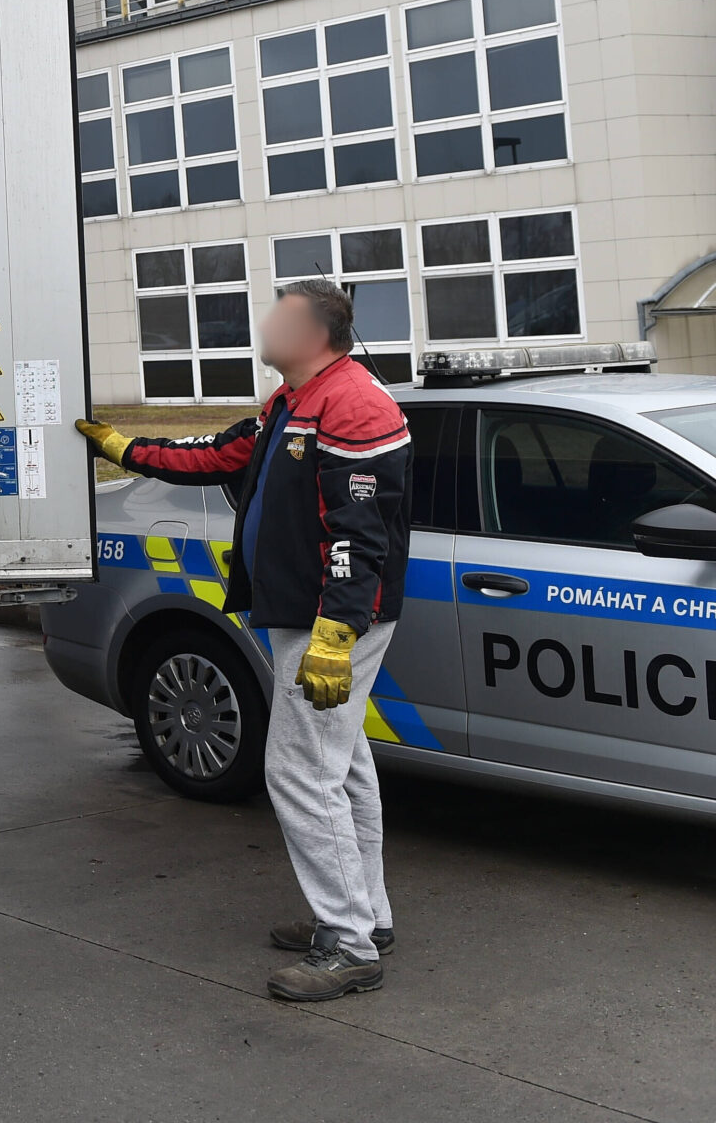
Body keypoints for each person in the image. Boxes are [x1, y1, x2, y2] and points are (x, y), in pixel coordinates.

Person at [74, 279, 410, 1002]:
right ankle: (365, 917)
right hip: (307, 613)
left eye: (279, 317)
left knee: (299, 772)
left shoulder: (353, 404)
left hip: (332, 620)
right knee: (342, 765)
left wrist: (334, 633)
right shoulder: (291, 401)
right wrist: (123, 447)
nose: (265, 327)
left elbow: (362, 534)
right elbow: (216, 455)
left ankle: (348, 944)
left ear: (317, 332)